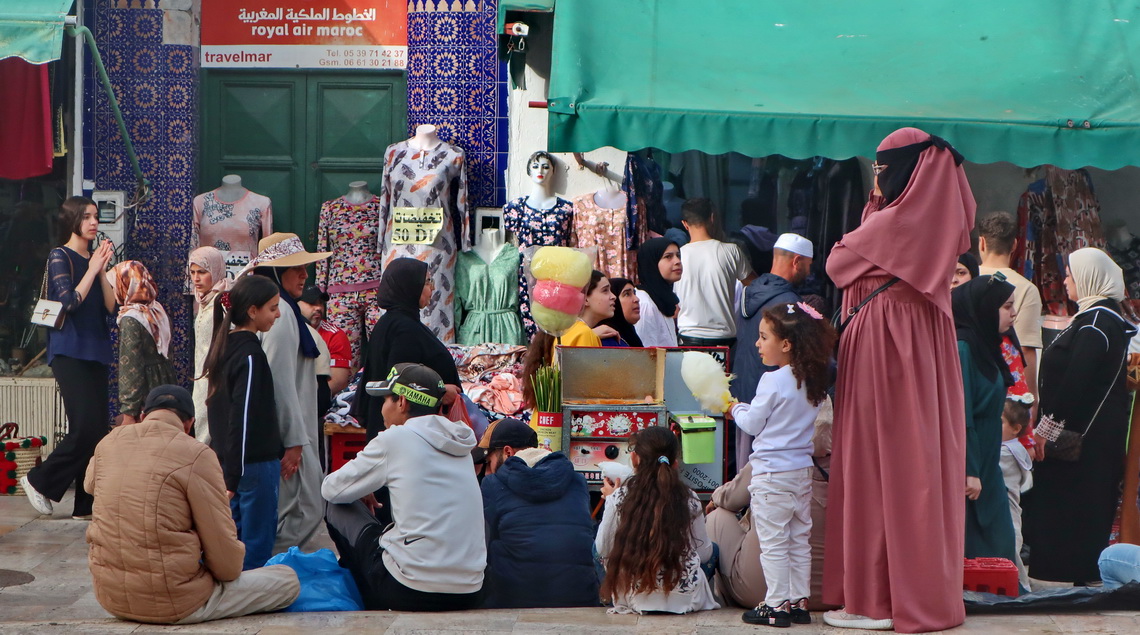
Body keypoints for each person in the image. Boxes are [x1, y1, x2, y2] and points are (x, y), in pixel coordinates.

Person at [823, 128, 974, 633]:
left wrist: (865, 241)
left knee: (879, 462)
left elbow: (838, 261)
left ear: (910, 168)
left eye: (885, 167)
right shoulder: (936, 216)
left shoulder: (899, 221)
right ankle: (900, 592)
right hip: (912, 344)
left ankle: (879, 598)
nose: (877, 177)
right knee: (912, 465)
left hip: (887, 345)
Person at [84, 385, 299, 624]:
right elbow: (227, 566)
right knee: (287, 579)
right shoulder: (197, 454)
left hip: (110, 598)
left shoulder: (107, 444)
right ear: (189, 424)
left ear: (143, 416)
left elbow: (90, 485)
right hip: (177, 602)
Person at [322, 363, 485, 611]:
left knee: (334, 504)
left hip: (410, 589)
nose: (382, 409)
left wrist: (359, 489)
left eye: (385, 399)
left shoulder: (395, 439)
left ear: (402, 402)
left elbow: (332, 489)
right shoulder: (461, 443)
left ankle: (367, 597)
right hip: (471, 591)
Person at [1023, 248, 1138, 584]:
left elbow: (1077, 379)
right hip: (1086, 439)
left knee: (1072, 503)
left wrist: (1045, 428)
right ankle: (1065, 569)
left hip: (1083, 441)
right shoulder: (1097, 319)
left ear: (1090, 278)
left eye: (1072, 275)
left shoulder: (1099, 323)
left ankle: (1068, 571)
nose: (1066, 281)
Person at [727, 301, 835, 627]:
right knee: (798, 539)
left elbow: (753, 423)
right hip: (800, 471)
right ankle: (799, 600)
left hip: (772, 473)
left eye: (763, 338)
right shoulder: (813, 380)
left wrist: (732, 408)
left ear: (785, 345)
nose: (757, 344)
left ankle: (775, 605)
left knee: (773, 542)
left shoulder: (772, 381)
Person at [21, 196, 116, 521]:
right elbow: (68, 302)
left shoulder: (93, 259)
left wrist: (102, 270)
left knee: (96, 430)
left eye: (95, 217)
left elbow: (110, 307)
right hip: (69, 350)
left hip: (96, 349)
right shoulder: (59, 255)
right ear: (72, 220)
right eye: (86, 217)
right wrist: (90, 269)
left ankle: (85, 506)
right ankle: (39, 480)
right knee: (84, 427)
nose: (94, 222)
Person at [247, 232, 331, 552]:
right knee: (304, 509)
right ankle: (269, 565)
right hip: (292, 434)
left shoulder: (283, 310)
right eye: (296, 268)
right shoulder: (279, 315)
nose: (305, 275)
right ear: (277, 274)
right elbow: (279, 383)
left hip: (297, 429)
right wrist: (293, 440)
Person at [202, 275, 283, 570]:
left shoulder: (225, 348)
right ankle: (251, 600)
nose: (278, 314)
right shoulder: (250, 355)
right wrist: (234, 473)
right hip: (252, 466)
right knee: (256, 547)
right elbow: (243, 416)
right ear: (252, 311)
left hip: (232, 463)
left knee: (233, 541)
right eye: (272, 308)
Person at [596, 426, 719, 615]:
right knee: (715, 550)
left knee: (595, 548)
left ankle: (608, 598)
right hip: (686, 599)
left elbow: (603, 549)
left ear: (635, 459)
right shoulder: (690, 498)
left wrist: (611, 501)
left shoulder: (619, 496)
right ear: (675, 463)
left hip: (633, 597)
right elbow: (703, 554)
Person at [478, 418, 599, 608]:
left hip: (512, 600)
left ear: (507, 452)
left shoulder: (493, 485)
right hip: (580, 597)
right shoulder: (577, 481)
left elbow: (481, 545)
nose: (487, 470)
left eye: (489, 460)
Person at [354, 258, 462, 440]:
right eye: (427, 282)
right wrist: (440, 392)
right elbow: (402, 382)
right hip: (407, 436)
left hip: (403, 433)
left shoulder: (395, 322)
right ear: (410, 286)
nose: (432, 288)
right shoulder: (404, 329)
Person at [952, 275, 1019, 567]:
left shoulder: (987, 345)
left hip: (987, 460)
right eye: (1006, 306)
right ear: (986, 308)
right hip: (973, 462)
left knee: (998, 542)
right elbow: (960, 413)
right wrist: (970, 469)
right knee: (982, 544)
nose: (1013, 313)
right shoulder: (965, 348)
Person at [732, 233, 812, 472]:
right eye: (808, 265)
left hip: (745, 400)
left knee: (743, 478)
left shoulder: (749, 291)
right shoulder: (789, 305)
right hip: (773, 407)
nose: (809, 273)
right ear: (796, 261)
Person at [978, 212, 1044, 412]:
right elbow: (1025, 348)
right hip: (1005, 390)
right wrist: (1030, 399)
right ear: (1015, 245)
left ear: (981, 243)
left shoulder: (965, 280)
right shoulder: (1026, 289)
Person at [675, 198, 756, 352]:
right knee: (723, 377)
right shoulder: (731, 251)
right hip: (724, 341)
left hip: (688, 338)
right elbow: (754, 285)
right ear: (712, 218)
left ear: (685, 224)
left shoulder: (677, 257)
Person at [107, 260, 176, 425]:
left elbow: (130, 367)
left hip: (146, 393)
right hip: (164, 385)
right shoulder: (156, 310)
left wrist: (129, 411)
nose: (113, 290)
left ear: (125, 285)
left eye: (114, 285)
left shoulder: (131, 318)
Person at [189, 246, 230, 443]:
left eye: (202, 272)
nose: (196, 278)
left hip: (214, 379)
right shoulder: (205, 301)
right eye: (193, 272)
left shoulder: (222, 302)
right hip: (201, 378)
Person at [1000, 398, 1034, 591]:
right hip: (1008, 507)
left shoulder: (1006, 452)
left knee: (1012, 546)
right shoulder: (1012, 448)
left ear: (1015, 428)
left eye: (1001, 422)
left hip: (1008, 509)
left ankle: (1022, 585)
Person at [299, 285, 353, 394]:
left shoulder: (335, 335)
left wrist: (308, 399)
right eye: (312, 303)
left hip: (323, 402)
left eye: (320, 303)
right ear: (297, 304)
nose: (318, 308)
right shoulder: (288, 330)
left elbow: (339, 381)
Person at [634, 238, 683, 347]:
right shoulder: (644, 304)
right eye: (668, 257)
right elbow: (646, 354)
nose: (677, 261)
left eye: (678, 255)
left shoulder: (664, 299)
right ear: (652, 262)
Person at [557, 270, 615, 348]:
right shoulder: (584, 333)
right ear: (585, 299)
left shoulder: (566, 330)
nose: (613, 296)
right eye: (605, 290)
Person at [599, 277, 643, 347]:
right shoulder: (607, 339)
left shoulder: (629, 335)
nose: (636, 299)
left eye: (634, 293)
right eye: (627, 294)